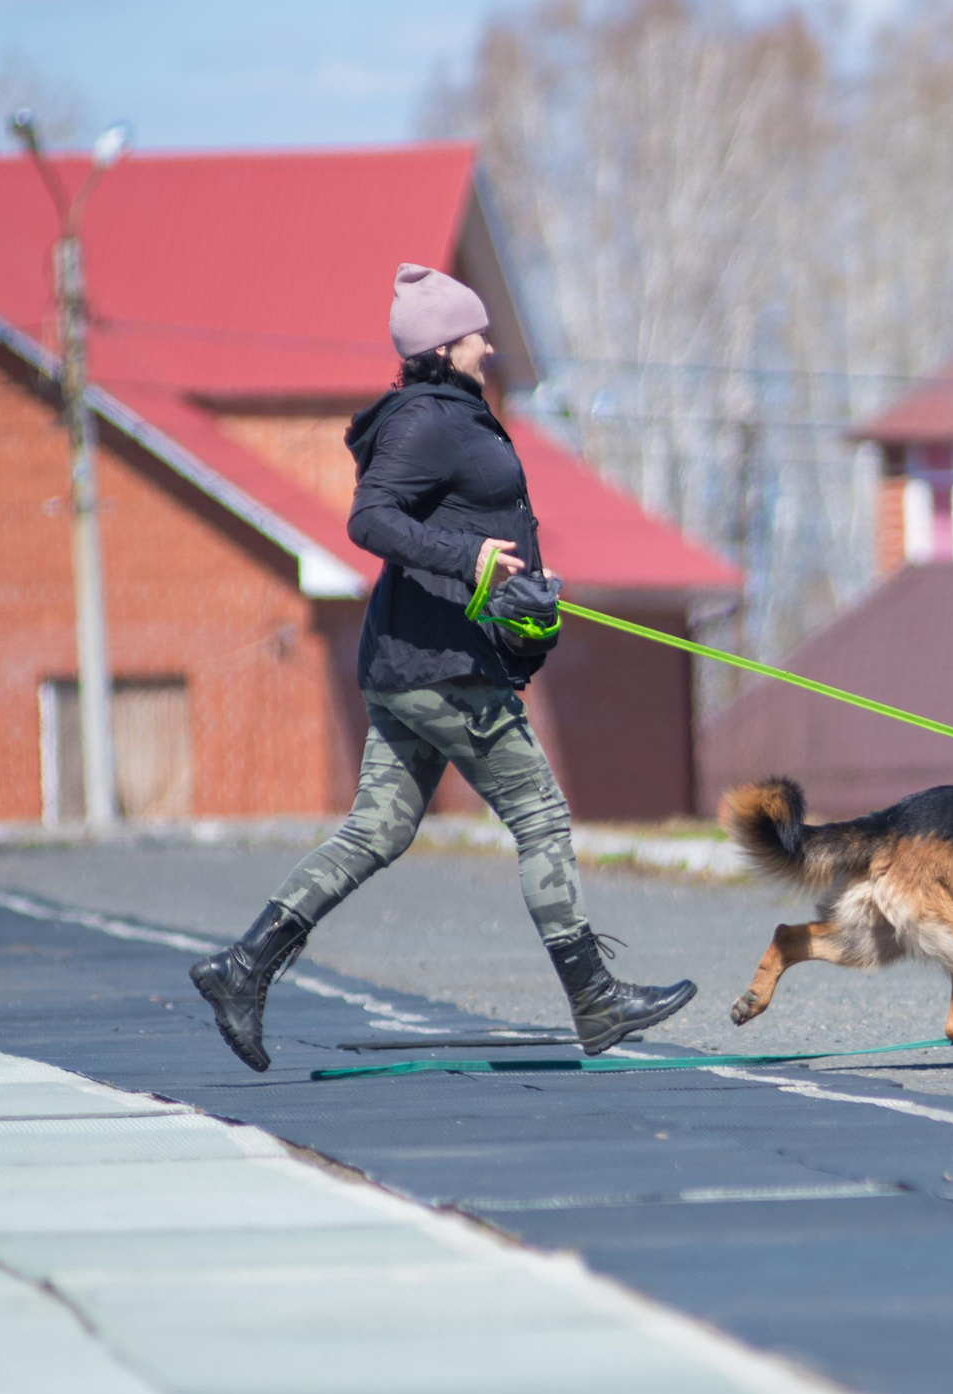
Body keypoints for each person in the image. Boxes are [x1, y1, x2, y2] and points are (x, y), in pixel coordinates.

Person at [190, 263, 696, 1071]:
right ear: (443, 346)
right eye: (476, 335)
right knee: (541, 816)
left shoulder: (445, 413)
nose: (489, 346)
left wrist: (516, 582)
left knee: (377, 830)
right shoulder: (426, 421)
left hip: (411, 663)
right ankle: (595, 997)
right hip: (444, 668)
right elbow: (369, 519)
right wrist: (471, 561)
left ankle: (243, 967)